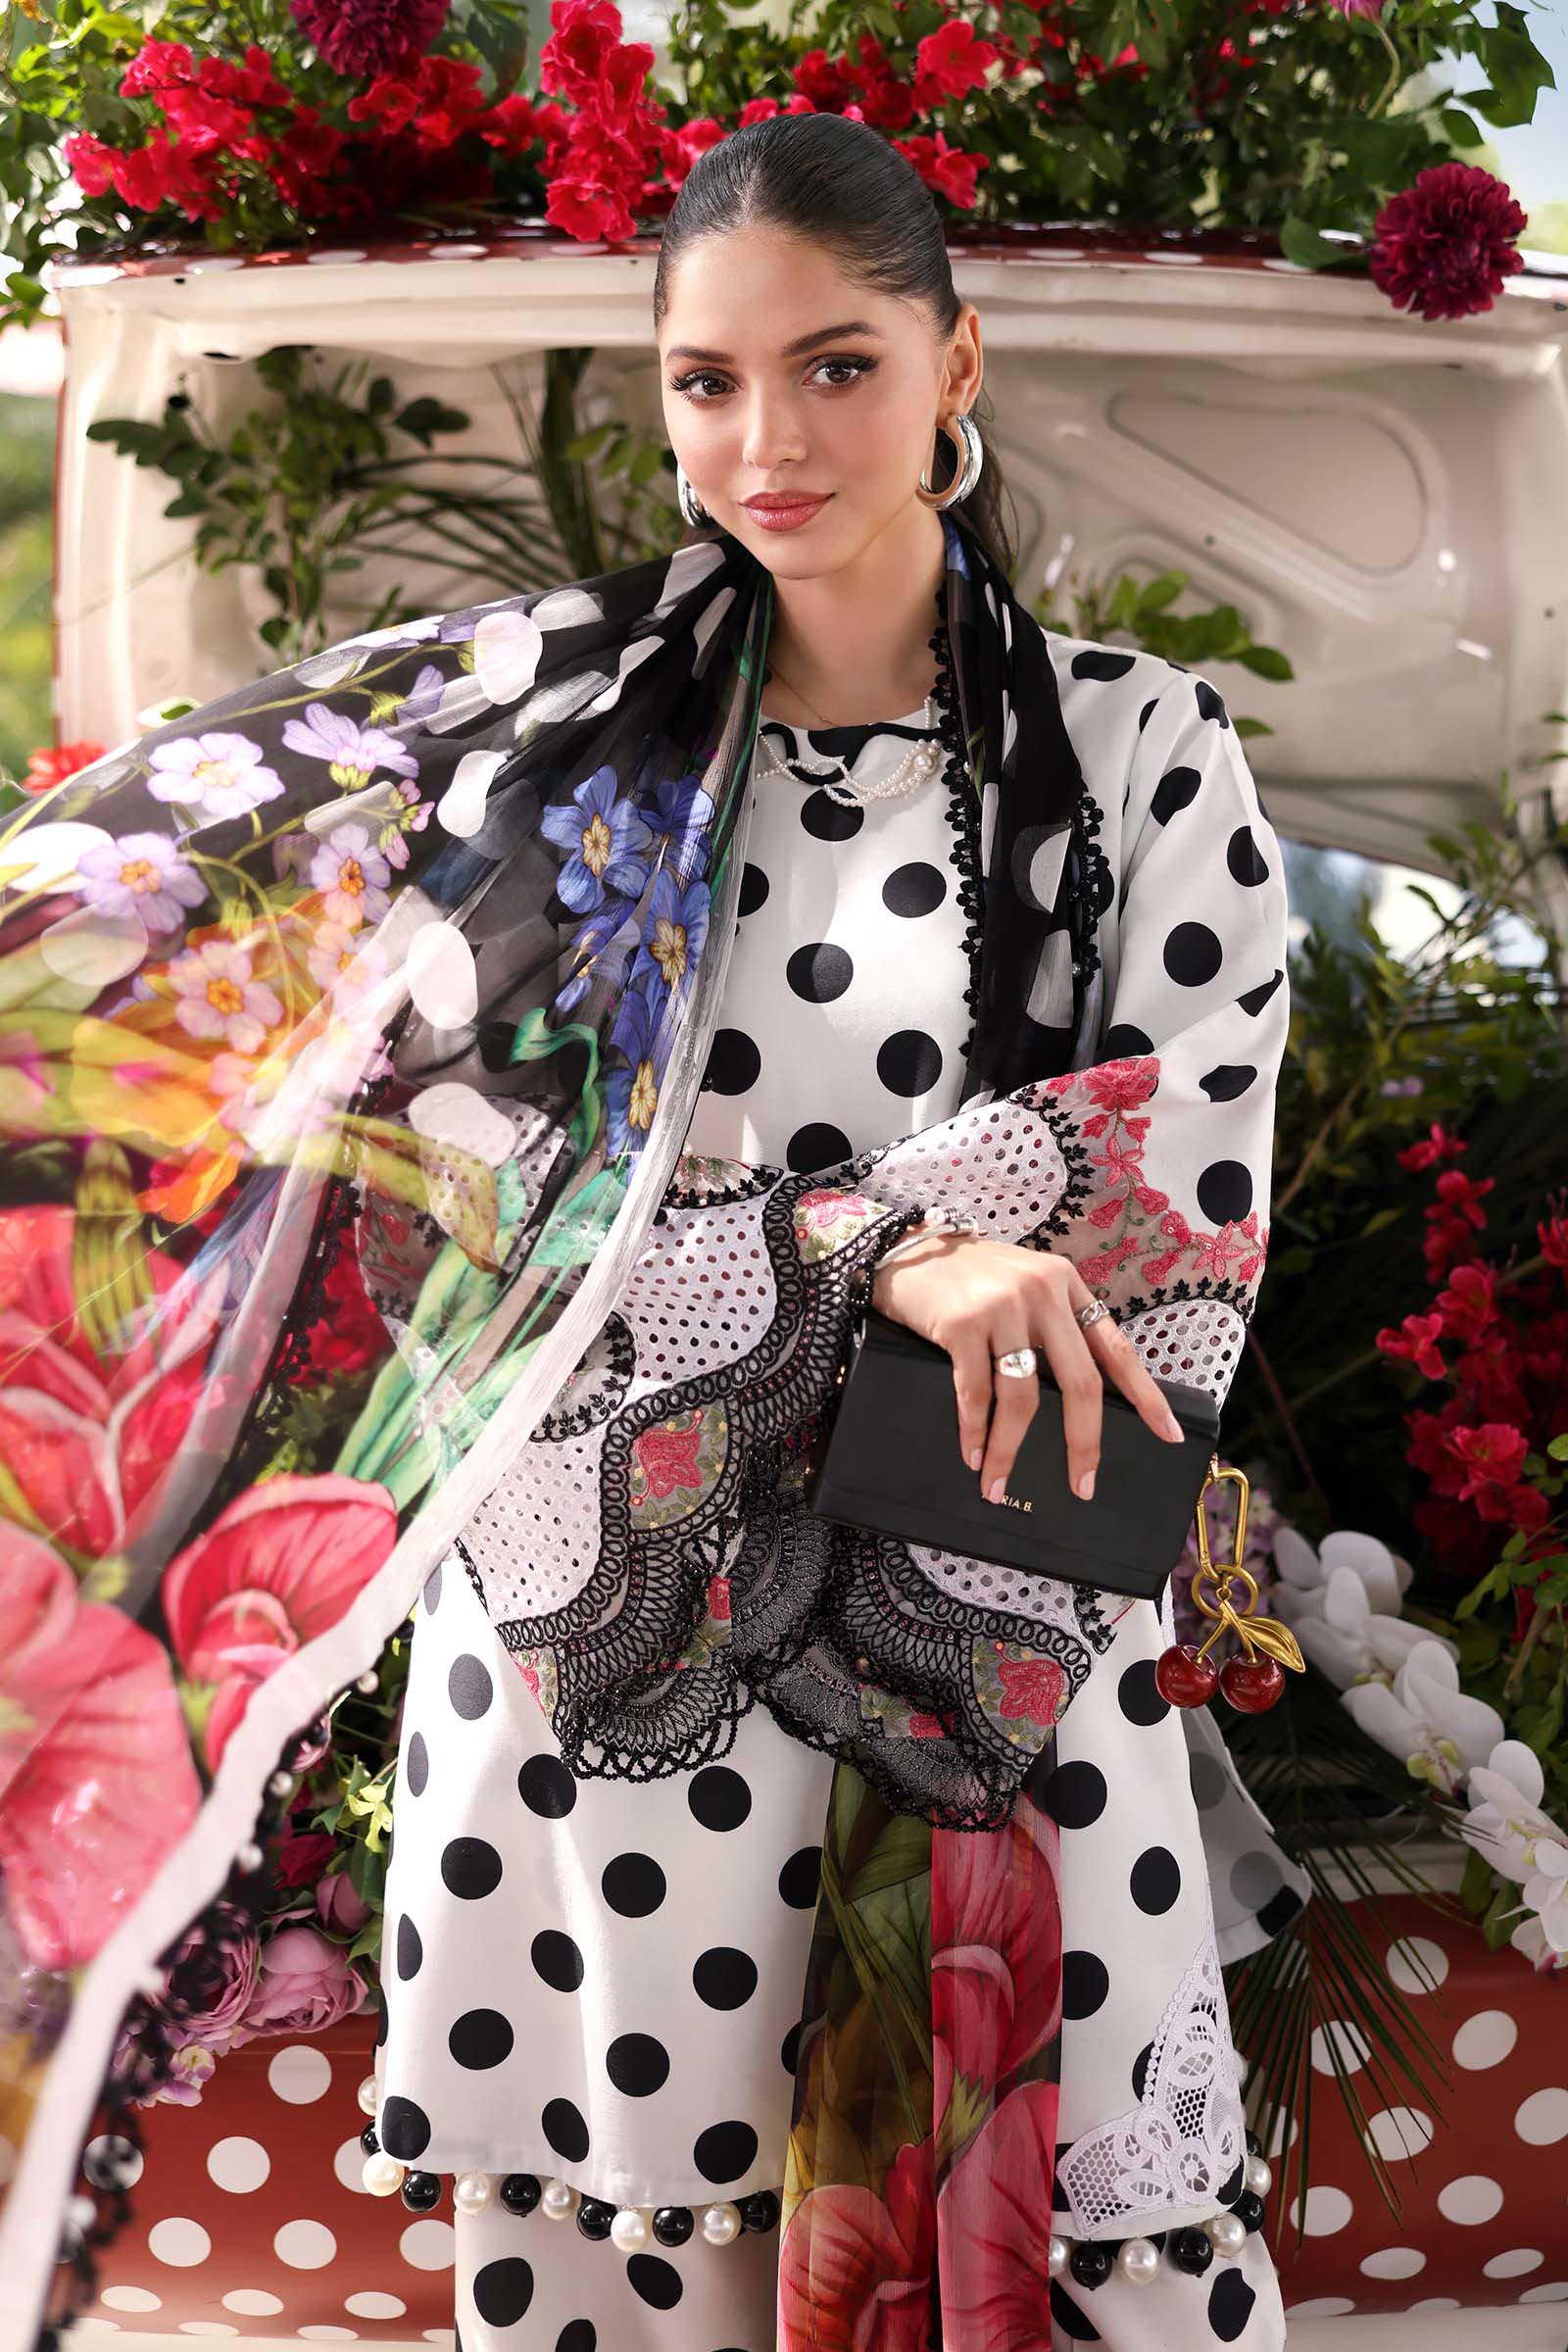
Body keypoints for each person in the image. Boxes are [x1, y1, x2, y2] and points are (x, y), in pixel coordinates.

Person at [0, 109, 1294, 2352]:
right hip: (598, 1657)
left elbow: (1165, 1181)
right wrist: (877, 1254)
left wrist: (732, 1234)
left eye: (834, 366)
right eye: (708, 380)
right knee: (618, 2261)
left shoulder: (1130, 755)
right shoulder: (552, 769)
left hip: (978, 1635)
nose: (765, 441)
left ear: (954, 369)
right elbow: (455, 1206)